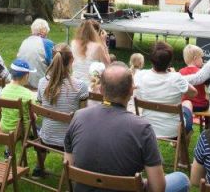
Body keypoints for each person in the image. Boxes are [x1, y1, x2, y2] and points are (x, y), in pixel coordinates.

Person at [64, 62, 190, 192]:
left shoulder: (78, 117)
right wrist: (141, 184)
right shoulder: (142, 128)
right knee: (182, 179)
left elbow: (69, 167)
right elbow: (158, 188)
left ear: (101, 89)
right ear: (131, 90)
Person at [34, 44, 88, 176]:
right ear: (72, 60)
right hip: (69, 141)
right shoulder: (80, 86)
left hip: (46, 137)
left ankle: (38, 169)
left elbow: (40, 106)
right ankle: (76, 173)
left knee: (46, 127)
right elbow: (83, 117)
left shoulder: (42, 82)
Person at [134, 41, 197, 142]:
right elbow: (194, 93)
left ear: (151, 59)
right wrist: (176, 75)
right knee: (187, 103)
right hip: (174, 131)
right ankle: (180, 148)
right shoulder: (176, 78)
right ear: (169, 62)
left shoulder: (140, 75)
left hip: (147, 127)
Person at [0, 58, 36, 133]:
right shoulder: (28, 94)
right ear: (26, 76)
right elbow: (33, 117)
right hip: (22, 130)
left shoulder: (3, 91)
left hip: (4, 128)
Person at [16, 18, 55, 90]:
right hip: (40, 86)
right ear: (44, 31)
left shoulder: (25, 41)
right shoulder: (48, 43)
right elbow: (55, 64)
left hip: (23, 83)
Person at [70, 19, 111, 83]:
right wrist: (104, 43)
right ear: (95, 32)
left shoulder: (73, 43)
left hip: (75, 82)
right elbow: (108, 66)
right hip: (90, 84)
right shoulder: (97, 47)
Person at [179, 45, 209, 114]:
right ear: (195, 58)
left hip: (185, 105)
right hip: (200, 105)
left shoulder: (181, 71)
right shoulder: (201, 72)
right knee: (208, 101)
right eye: (201, 58)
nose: (202, 60)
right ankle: (208, 121)